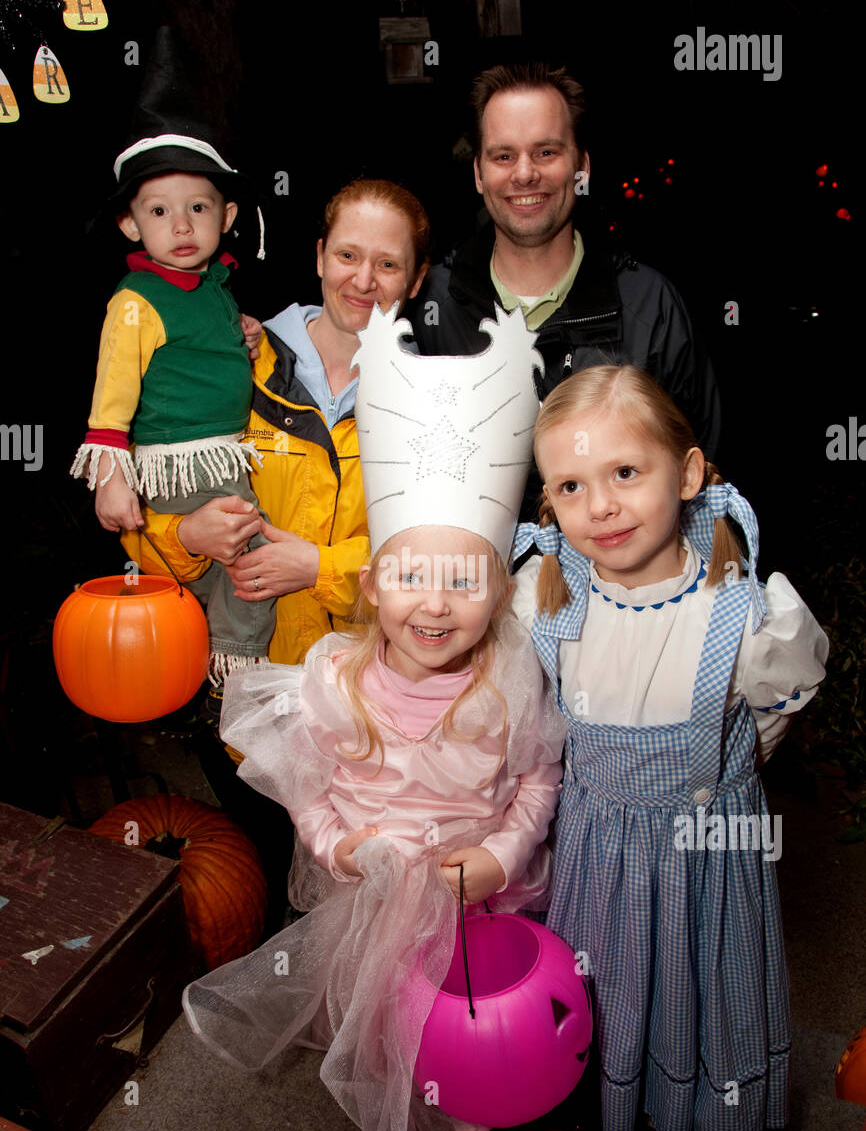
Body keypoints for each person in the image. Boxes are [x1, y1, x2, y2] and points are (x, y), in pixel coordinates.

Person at [181, 303, 565, 1131]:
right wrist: (339, 844)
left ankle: (462, 1094)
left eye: (464, 582)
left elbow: (536, 781)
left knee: (462, 1024)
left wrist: (503, 858)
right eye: (408, 577)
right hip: (366, 900)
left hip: (478, 902)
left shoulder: (511, 681)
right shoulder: (332, 677)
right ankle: (403, 1079)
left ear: (500, 593)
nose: (434, 606)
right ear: (368, 582)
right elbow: (304, 785)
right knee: (383, 1014)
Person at [511, 364, 828, 1131]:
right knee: (605, 992)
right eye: (572, 487)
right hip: (596, 855)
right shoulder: (546, 601)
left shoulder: (746, 617)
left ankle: (694, 1127)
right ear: (549, 503)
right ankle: (612, 1128)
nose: (603, 506)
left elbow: (768, 722)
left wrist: (714, 781)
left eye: (625, 472)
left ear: (686, 473)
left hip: (705, 863)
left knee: (702, 989)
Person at [122, 178, 431, 668]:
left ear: (416, 281)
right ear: (320, 257)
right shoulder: (234, 366)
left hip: (375, 691)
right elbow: (137, 521)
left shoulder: (434, 403)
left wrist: (322, 569)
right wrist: (185, 538)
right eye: (347, 256)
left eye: (388, 264)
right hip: (253, 692)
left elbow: (443, 561)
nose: (364, 280)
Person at [411, 61, 722, 514]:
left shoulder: (648, 304)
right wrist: (270, 341)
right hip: (473, 581)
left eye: (545, 153)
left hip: (617, 582)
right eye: (503, 156)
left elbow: (704, 479)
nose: (523, 174)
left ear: (581, 166)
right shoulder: (426, 303)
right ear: (479, 173)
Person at [71, 54, 273, 684]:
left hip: (221, 452)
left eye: (198, 209)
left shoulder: (214, 285)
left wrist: (246, 336)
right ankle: (236, 672)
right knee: (254, 561)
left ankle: (209, 665)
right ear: (130, 223)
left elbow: (208, 353)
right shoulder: (136, 301)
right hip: (180, 459)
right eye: (158, 212)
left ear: (228, 218)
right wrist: (110, 476)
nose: (181, 226)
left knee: (225, 567)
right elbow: (111, 397)